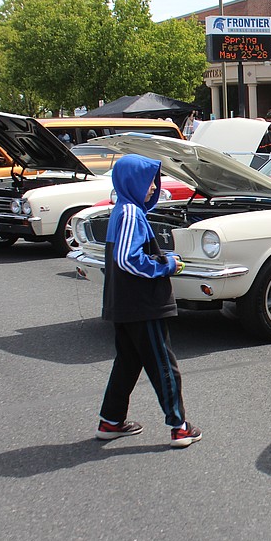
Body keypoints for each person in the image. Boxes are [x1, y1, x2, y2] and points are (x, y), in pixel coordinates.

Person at [96, 154, 201, 448]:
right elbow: (129, 259)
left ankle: (111, 421)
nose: (153, 187)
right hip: (142, 304)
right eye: (148, 181)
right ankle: (179, 427)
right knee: (164, 366)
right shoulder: (130, 212)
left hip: (125, 303)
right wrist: (168, 265)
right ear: (131, 181)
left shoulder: (122, 209)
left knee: (128, 363)